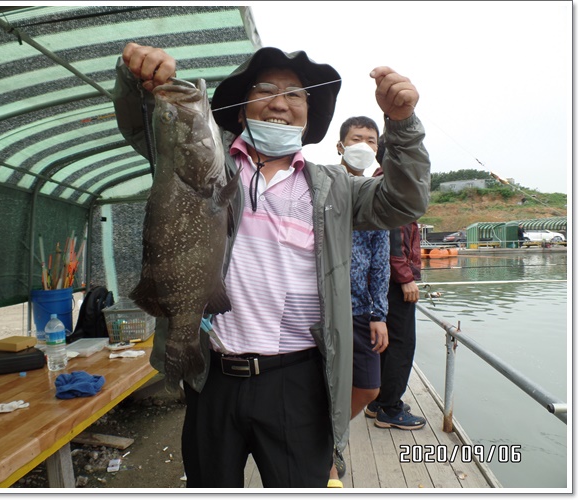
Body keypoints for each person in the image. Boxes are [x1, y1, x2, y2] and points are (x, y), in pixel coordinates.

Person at [113, 43, 430, 488]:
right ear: (242, 109)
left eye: (294, 95)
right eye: (265, 90)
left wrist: (403, 125)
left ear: (308, 115)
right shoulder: (205, 162)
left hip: (298, 381)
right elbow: (142, 124)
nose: (280, 103)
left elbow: (405, 200)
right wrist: (138, 79)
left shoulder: (336, 187)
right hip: (212, 377)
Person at [328, 116, 391, 488]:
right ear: (340, 145)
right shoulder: (321, 186)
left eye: (371, 141)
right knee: (321, 383)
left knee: (369, 388)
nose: (363, 146)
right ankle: (327, 455)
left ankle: (330, 435)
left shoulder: (376, 193)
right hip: (321, 308)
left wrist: (379, 313)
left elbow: (380, 260)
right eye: (356, 139)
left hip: (359, 309)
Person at [366, 139, 426, 430]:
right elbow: (393, 236)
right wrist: (406, 278)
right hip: (395, 279)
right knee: (402, 344)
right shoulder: (393, 185)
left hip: (384, 278)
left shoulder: (379, 181)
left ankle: (378, 400)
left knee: (387, 343)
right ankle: (390, 408)